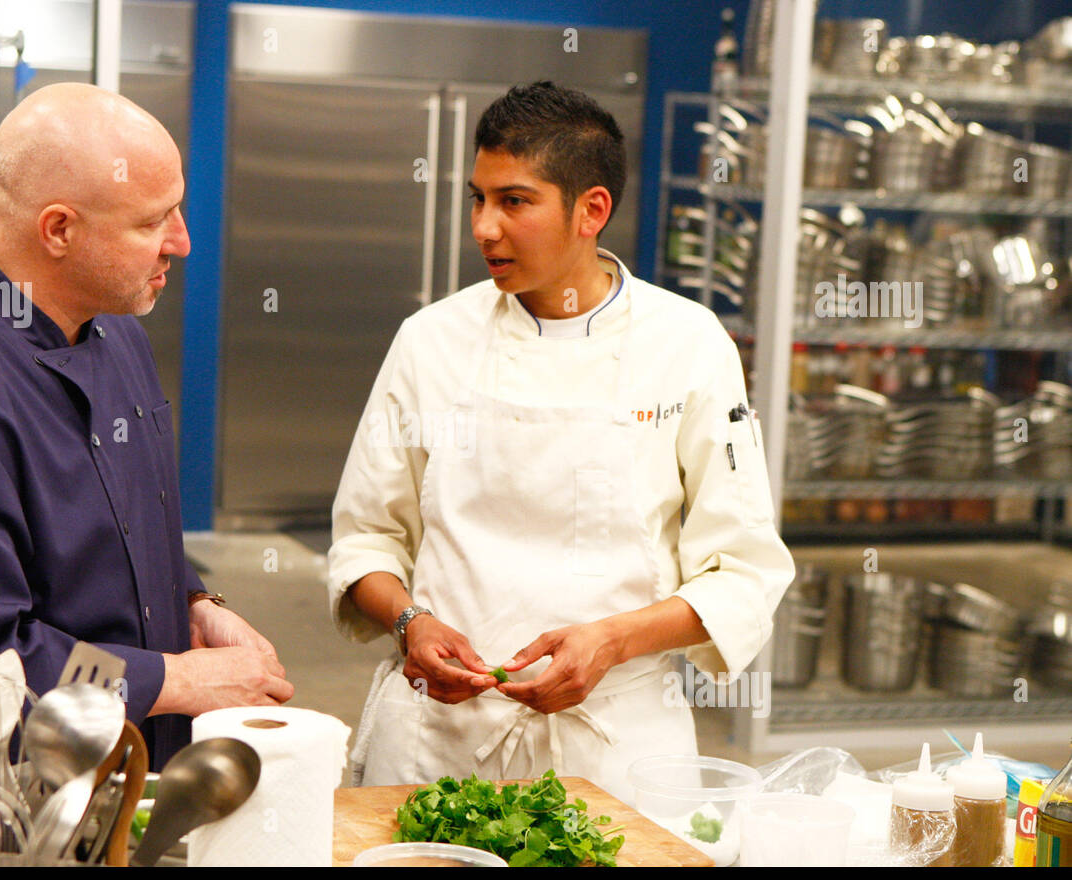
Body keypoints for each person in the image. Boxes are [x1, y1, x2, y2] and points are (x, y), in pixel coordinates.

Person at [328, 81, 795, 799]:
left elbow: (743, 571)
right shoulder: (431, 340)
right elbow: (366, 540)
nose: (485, 228)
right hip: (440, 739)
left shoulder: (688, 344)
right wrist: (410, 622)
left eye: (514, 201)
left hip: (614, 745)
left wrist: (611, 641)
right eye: (478, 199)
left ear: (591, 210)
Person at [0, 83, 293, 771]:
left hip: (137, 771)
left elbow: (119, 526)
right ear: (59, 230)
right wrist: (177, 680)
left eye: (177, 209)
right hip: (11, 798)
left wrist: (195, 602)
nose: (182, 241)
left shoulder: (113, 330)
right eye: (152, 221)